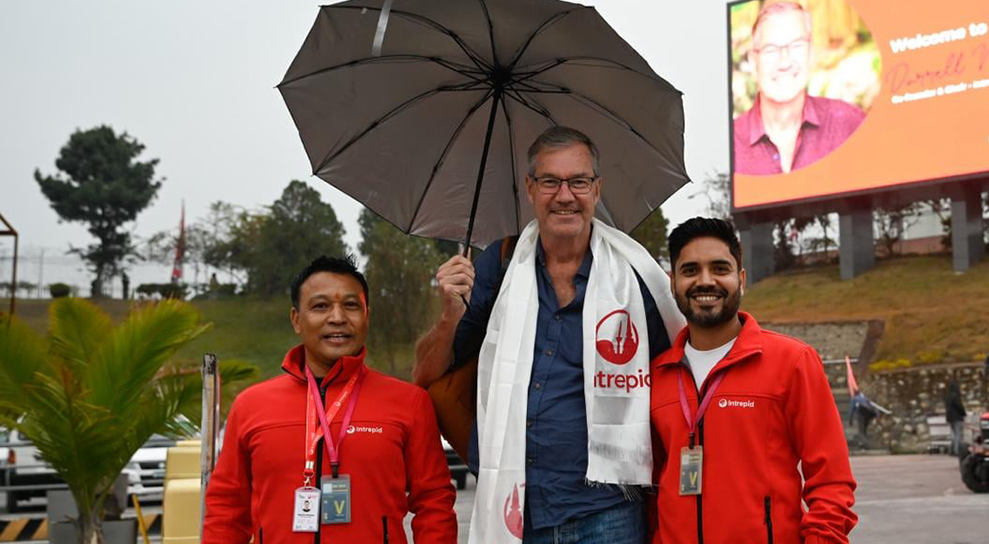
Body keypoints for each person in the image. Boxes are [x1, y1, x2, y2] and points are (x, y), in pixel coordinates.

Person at [412, 126, 685, 544]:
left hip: (607, 512)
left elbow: (676, 375)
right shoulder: (499, 265)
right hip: (515, 508)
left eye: (578, 181)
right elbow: (426, 374)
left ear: (597, 189)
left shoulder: (634, 277)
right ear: (530, 188)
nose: (565, 195)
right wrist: (449, 315)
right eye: (550, 181)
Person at [203, 256, 456, 543]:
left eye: (351, 305)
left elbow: (434, 502)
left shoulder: (409, 403)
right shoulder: (251, 406)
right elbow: (226, 509)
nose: (337, 317)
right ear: (296, 319)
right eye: (320, 306)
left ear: (367, 315)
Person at [648, 217, 856, 544]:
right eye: (690, 270)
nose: (706, 281)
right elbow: (651, 487)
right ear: (673, 283)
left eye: (720, 269)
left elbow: (832, 480)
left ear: (741, 279)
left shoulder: (792, 361)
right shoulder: (655, 375)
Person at [733, 1, 866, 175]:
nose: (784, 62)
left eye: (796, 46)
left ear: (811, 54)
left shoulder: (849, 125)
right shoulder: (729, 144)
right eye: (770, 49)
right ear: (753, 62)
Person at [945, 381, 967, 457]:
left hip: (950, 418)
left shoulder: (948, 397)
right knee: (958, 434)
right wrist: (964, 413)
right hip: (957, 417)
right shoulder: (956, 396)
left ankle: (952, 449)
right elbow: (959, 406)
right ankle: (957, 450)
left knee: (954, 434)